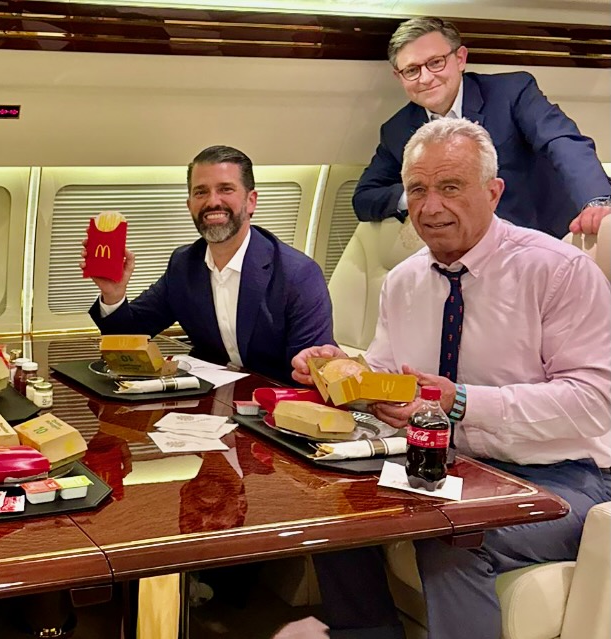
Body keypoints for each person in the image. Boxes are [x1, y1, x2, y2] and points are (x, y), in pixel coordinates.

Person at [292, 118, 611, 639]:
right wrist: (341, 374)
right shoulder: (403, 281)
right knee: (336, 509)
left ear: (493, 191)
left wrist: (461, 402)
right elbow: (388, 378)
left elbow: (595, 400)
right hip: (450, 467)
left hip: (568, 478)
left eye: (451, 187)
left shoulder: (557, 272)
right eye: (417, 189)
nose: (431, 206)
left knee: (449, 539)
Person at [83, 145, 333, 385]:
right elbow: (129, 339)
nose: (213, 202)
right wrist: (113, 294)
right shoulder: (184, 264)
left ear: (251, 201)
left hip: (272, 409)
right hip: (209, 401)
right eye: (201, 192)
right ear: (189, 204)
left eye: (226, 189)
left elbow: (311, 373)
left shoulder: (298, 274)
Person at [352, 16, 610, 238]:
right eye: (412, 70)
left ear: (460, 59)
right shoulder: (398, 129)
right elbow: (364, 198)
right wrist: (421, 194)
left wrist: (596, 201)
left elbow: (562, 141)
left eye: (435, 63)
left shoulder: (511, 93)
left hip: (553, 232)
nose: (426, 78)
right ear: (399, 77)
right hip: (475, 256)